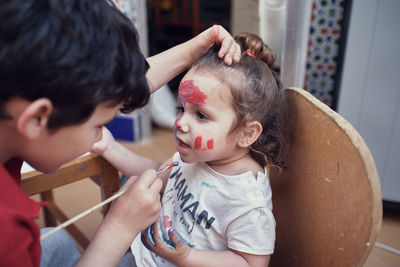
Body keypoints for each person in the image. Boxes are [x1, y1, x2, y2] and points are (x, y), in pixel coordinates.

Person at [0, 0, 241, 266]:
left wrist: (191, 52)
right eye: (98, 125)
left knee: (59, 243)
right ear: (36, 119)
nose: (98, 135)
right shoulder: (7, 233)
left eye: (202, 115)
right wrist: (118, 228)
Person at [92, 32, 291, 267]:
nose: (181, 123)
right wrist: (111, 148)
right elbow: (157, 174)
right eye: (181, 109)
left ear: (247, 133)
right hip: (140, 254)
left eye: (201, 115)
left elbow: (251, 264)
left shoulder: (246, 200)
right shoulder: (197, 155)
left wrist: (187, 257)